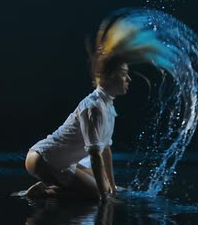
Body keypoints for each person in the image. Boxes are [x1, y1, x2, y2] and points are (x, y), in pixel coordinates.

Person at [23, 54, 131, 201]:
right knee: (95, 195)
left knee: (104, 187)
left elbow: (105, 149)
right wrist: (105, 197)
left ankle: (51, 188)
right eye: (123, 74)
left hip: (63, 161)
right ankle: (44, 193)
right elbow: (95, 155)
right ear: (107, 77)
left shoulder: (107, 106)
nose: (128, 79)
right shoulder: (95, 107)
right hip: (43, 159)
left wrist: (112, 188)